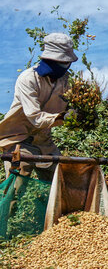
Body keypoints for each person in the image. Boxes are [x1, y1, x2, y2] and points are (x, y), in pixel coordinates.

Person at [0, 33, 79, 181]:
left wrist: (78, 115)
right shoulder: (28, 79)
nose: (65, 66)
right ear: (50, 59)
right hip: (19, 140)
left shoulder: (66, 82)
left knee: (61, 181)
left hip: (44, 141)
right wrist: (62, 117)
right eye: (62, 62)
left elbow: (72, 106)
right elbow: (35, 118)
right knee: (15, 189)